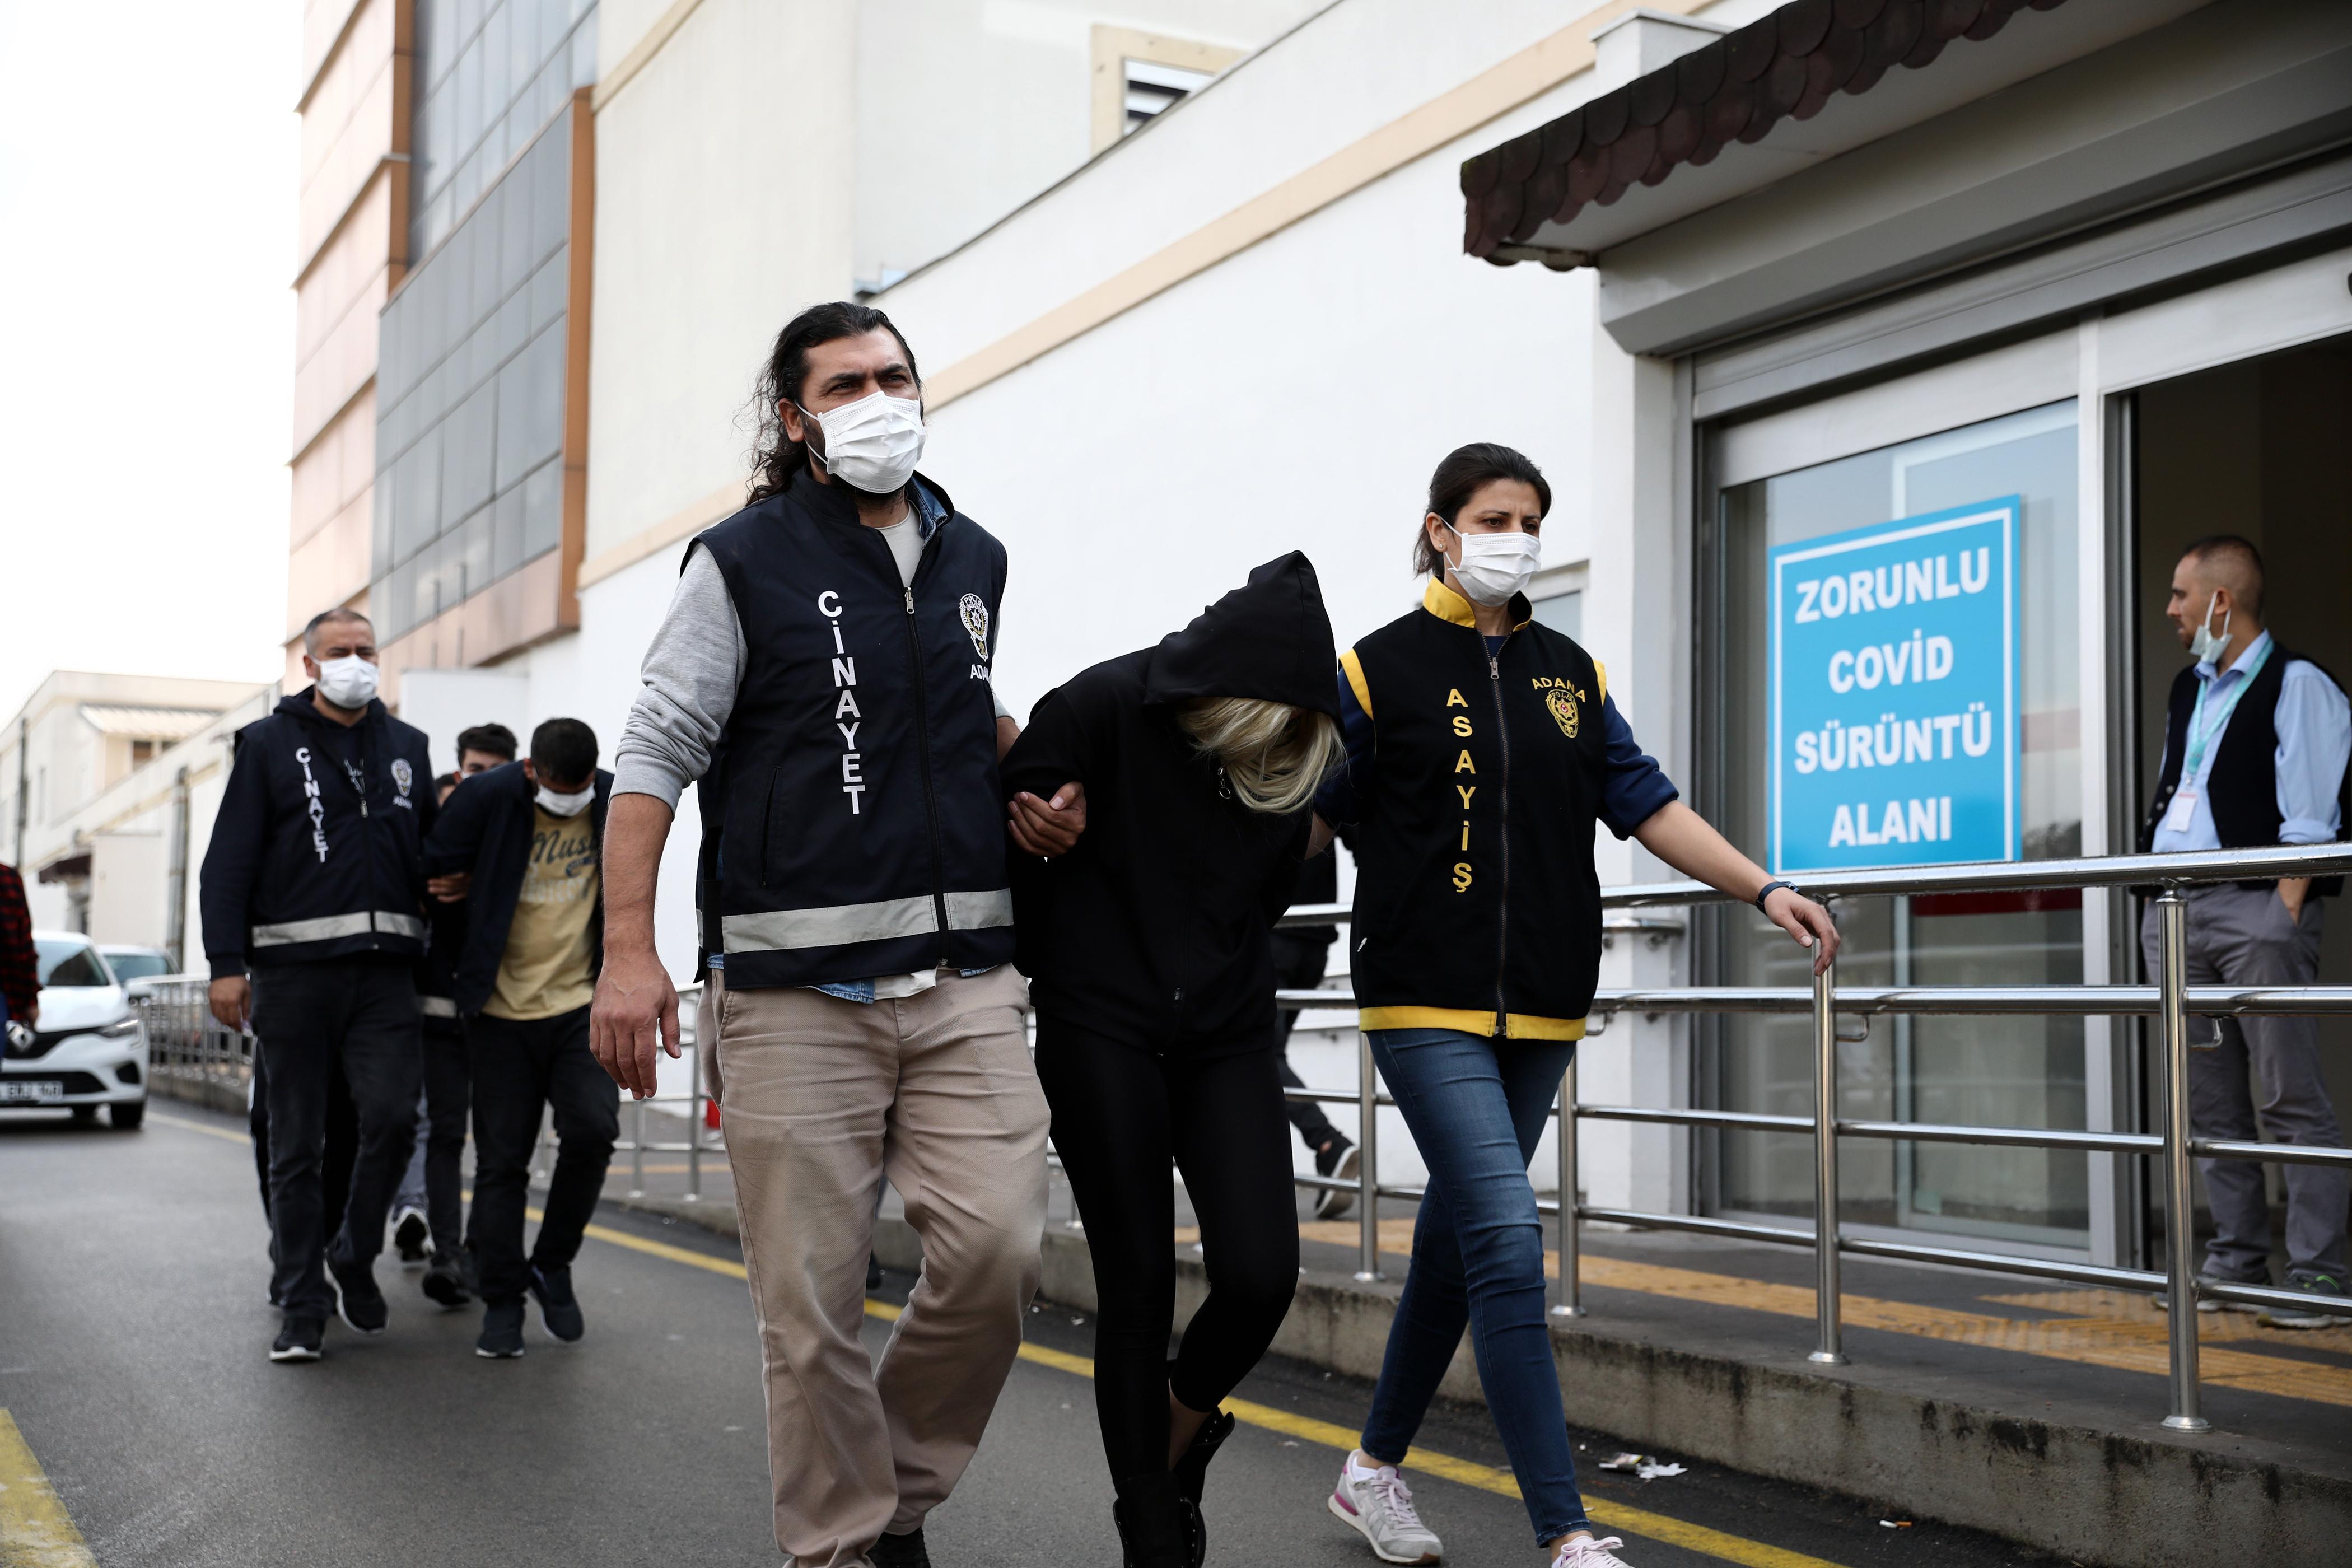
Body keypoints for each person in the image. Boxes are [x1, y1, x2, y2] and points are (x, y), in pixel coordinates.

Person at [593, 301, 1085, 1568]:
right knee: (810, 1310)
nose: (881, 401)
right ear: (797, 419)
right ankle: (840, 1547)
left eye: (895, 377)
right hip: (793, 993)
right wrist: (629, 953)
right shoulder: (740, 561)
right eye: (848, 385)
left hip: (968, 980)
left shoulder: (975, 555)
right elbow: (655, 749)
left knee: (999, 1255)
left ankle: (893, 1498)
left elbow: (958, 708)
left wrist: (1035, 783)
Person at [1313, 446, 1840, 1568]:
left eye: (1532, 520)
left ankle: (1371, 1471)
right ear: (1442, 530)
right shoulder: (1374, 669)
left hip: (1544, 1002)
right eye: (1495, 518)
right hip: (1421, 994)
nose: (1518, 538)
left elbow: (1646, 803)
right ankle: (1565, 1530)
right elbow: (1306, 810)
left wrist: (1765, 887)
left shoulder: (1571, 675)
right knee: (1509, 1239)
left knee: (1456, 1242)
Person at [1003, 553, 1342, 1565]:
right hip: (1099, 1026)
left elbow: (1267, 897)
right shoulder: (1099, 706)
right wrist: (1041, 842)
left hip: (1227, 1035)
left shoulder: (1290, 758)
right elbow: (998, 859)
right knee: (1138, 1285)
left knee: (1262, 1275)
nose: (1279, 754)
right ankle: (1149, 1522)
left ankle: (1179, 1434)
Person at [200, 606, 436, 1364]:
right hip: (293, 974)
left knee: (394, 1120)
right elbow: (228, 862)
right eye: (340, 651)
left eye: (366, 649)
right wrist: (225, 964)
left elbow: (427, 848)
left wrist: (449, 876)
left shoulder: (408, 747)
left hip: (386, 973)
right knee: (295, 1144)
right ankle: (302, 1301)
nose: (356, 661)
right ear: (310, 665)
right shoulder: (267, 745)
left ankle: (353, 1251)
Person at [2141, 535, 2350, 1329]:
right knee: (2208, 1102)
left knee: (2289, 1094)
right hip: (2179, 911)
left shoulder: (2299, 684)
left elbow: (2315, 817)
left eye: (2181, 594)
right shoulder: (2187, 688)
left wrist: (2283, 910)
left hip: (2257, 913)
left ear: (2221, 602)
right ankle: (2235, 1259)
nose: (2172, 610)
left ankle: (2321, 1275)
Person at [424, 718, 614, 1357]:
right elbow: (433, 871)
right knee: (502, 1162)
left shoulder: (614, 798)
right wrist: (467, 888)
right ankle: (502, 1300)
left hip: (579, 1004)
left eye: (579, 788)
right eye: (558, 787)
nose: (569, 798)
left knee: (593, 1131)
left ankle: (552, 1263)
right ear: (531, 770)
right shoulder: (485, 796)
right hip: (501, 1011)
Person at [392, 723, 518, 1273]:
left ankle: (482, 1254)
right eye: (474, 770)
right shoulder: (437, 833)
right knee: (441, 1131)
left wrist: (482, 883)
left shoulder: (527, 829)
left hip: (506, 1016)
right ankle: (446, 1254)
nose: (482, 781)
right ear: (458, 770)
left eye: (494, 771)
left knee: (498, 1144)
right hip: (439, 1014)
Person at [1274, 844, 1359, 1219]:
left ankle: (1327, 1143)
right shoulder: (1324, 796)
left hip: (1274, 933)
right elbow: (1362, 835)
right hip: (1316, 943)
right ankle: (1326, 1155)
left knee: (1256, 1055)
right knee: (1266, 1055)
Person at [0, 861, 36, 1038]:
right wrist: (31, 1002)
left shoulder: (8, 878)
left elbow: (23, 947)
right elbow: (24, 947)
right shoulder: (7, 878)